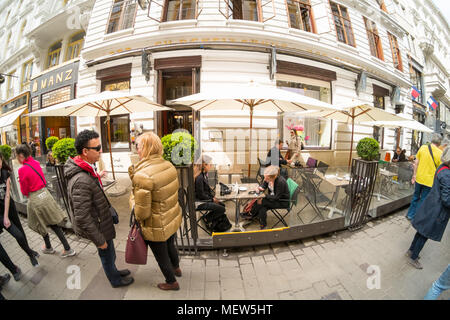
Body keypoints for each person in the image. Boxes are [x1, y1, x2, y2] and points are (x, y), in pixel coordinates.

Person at [65, 130, 132, 288]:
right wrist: (99, 240)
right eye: (98, 148)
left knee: (111, 253)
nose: (101, 150)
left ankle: (115, 271)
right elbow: (82, 217)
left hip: (102, 221)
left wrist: (97, 176)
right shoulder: (81, 179)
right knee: (106, 254)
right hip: (98, 227)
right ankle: (115, 280)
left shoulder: (86, 168)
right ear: (85, 151)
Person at [129, 132, 182, 291]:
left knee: (160, 254)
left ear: (145, 148)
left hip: (155, 223)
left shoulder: (143, 175)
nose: (136, 149)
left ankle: (171, 282)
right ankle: (176, 268)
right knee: (170, 244)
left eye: (138, 146)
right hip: (171, 216)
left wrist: (132, 200)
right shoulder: (169, 165)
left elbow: (142, 213)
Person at [16, 144, 75, 258]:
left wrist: (26, 192)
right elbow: (42, 179)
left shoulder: (22, 169)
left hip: (35, 199)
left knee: (39, 223)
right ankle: (61, 247)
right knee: (52, 223)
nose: (17, 158)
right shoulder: (36, 163)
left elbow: (24, 190)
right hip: (45, 195)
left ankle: (56, 248)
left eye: (17, 156)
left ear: (21, 155)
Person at [406, 146, 450, 269]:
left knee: (421, 230)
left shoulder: (442, 168)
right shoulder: (447, 175)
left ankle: (411, 250)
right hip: (437, 210)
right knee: (425, 233)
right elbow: (447, 200)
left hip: (431, 205)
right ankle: (413, 257)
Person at [0, 154, 39, 267]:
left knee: (20, 233)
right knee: (17, 234)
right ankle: (29, 254)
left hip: (9, 208)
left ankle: (29, 253)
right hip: (0, 213)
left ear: (1, 159)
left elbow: (7, 195)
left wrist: (7, 216)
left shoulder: (4, 174)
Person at [407, 134, 443, 221]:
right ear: (439, 143)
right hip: (429, 181)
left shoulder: (423, 148)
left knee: (415, 196)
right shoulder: (440, 153)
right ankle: (416, 217)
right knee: (423, 199)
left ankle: (410, 215)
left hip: (419, 178)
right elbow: (440, 170)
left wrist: (414, 175)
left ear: (432, 140)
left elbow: (416, 163)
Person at [194, 155, 230, 232]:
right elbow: (201, 195)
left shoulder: (203, 174)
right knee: (222, 208)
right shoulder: (199, 177)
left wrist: (213, 198)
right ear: (204, 165)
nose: (211, 166)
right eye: (210, 164)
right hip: (200, 202)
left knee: (222, 205)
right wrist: (212, 199)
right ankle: (206, 219)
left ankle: (213, 223)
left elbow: (205, 192)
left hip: (204, 199)